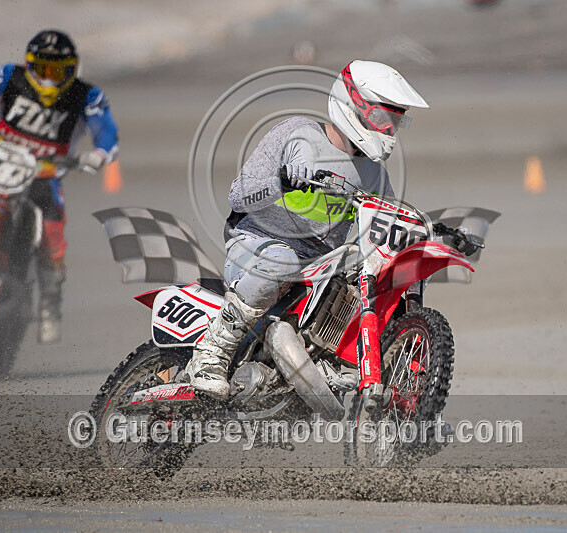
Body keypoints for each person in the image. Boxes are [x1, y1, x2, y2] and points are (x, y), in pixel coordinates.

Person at [183, 60, 430, 399]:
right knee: (281, 261)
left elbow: (380, 227)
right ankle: (211, 353)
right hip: (259, 242)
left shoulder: (375, 175)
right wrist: (281, 181)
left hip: (320, 265)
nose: (389, 130)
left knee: (379, 276)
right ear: (354, 105)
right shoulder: (295, 133)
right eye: (384, 119)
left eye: (396, 121)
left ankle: (373, 381)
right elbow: (238, 194)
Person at [0, 29, 119, 344]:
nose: (49, 79)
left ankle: (50, 305)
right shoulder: (8, 77)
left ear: (72, 69)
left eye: (58, 71)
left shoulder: (87, 96)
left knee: (52, 236)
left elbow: (106, 131)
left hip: (44, 178)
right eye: (43, 69)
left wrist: (99, 155)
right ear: (31, 65)